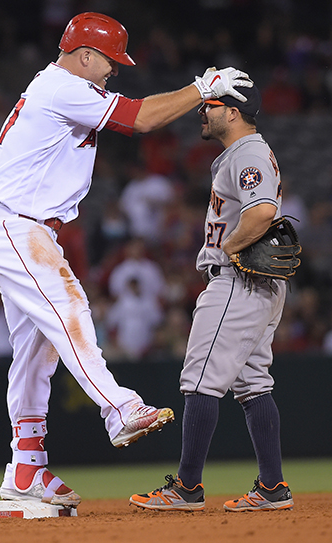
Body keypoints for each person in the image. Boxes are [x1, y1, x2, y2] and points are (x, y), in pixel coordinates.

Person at [0, 11, 252, 509]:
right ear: (84, 55)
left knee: (36, 353)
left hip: (23, 227)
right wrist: (201, 86)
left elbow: (140, 111)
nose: (113, 70)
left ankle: (26, 468)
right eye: (109, 61)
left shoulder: (56, 85)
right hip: (19, 226)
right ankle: (120, 407)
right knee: (71, 311)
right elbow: (142, 118)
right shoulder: (62, 86)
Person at [130, 81, 295, 512]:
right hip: (258, 287)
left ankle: (186, 488)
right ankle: (273, 488)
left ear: (235, 112)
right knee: (254, 383)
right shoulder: (245, 154)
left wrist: (233, 249)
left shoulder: (249, 154)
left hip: (238, 282)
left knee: (200, 379)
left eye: (212, 105)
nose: (202, 112)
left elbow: (262, 211)